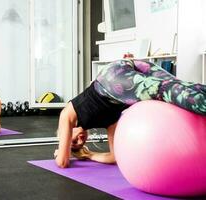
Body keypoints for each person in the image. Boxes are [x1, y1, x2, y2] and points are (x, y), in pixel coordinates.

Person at [54, 59, 206, 168]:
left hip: (111, 80)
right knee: (180, 86)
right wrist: (88, 155)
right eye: (80, 144)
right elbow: (115, 157)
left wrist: (63, 150)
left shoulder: (67, 115)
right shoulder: (107, 121)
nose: (79, 142)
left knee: (170, 92)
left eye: (72, 141)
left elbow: (62, 162)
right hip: (121, 69)